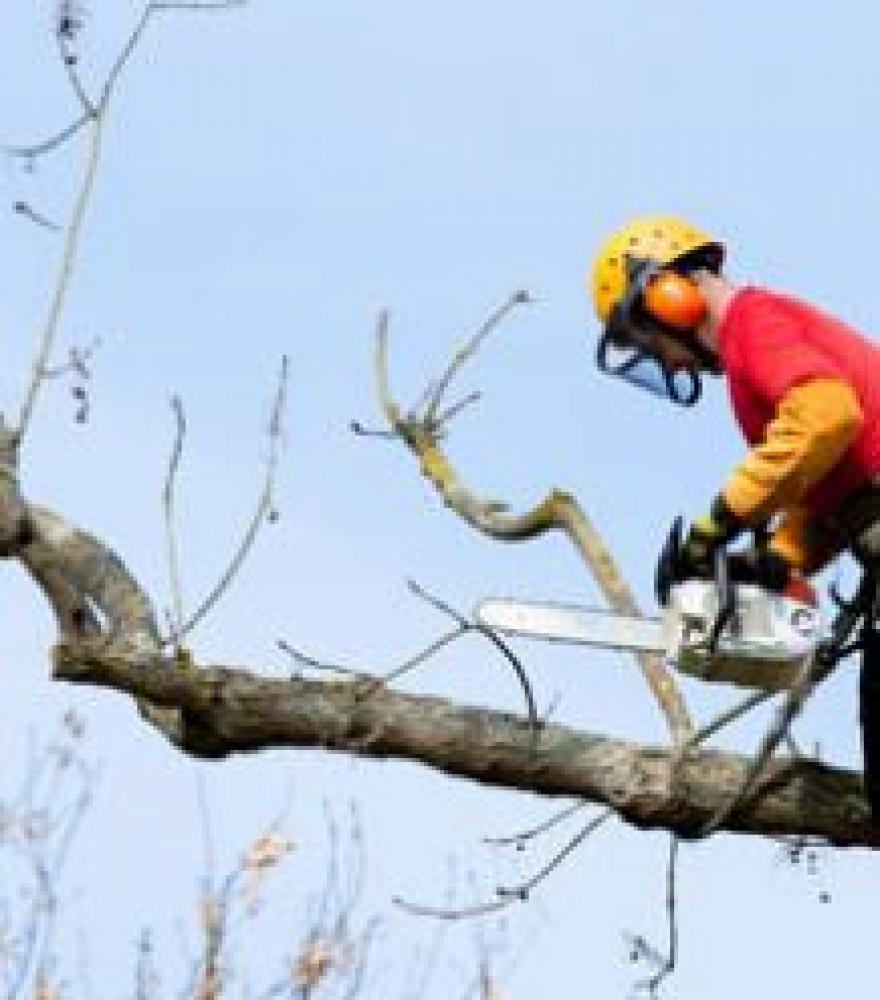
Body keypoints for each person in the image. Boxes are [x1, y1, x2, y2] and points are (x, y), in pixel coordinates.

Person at [589, 215, 880, 816]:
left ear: (669, 296)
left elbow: (827, 417)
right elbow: (823, 480)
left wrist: (716, 524)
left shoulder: (755, 324)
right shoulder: (754, 355)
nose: (670, 364)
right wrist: (781, 557)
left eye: (649, 342)